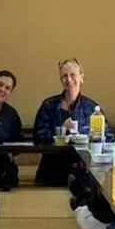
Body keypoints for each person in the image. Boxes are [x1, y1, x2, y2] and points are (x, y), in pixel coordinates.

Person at [32, 58, 108, 187]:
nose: (69, 80)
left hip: (84, 169)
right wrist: (61, 131)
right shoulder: (49, 105)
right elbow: (38, 138)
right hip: (52, 170)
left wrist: (87, 136)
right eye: (64, 76)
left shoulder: (92, 108)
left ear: (82, 78)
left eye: (73, 75)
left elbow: (108, 136)